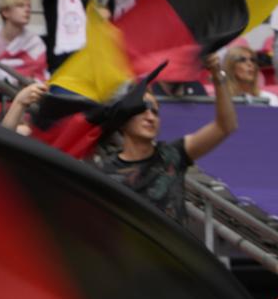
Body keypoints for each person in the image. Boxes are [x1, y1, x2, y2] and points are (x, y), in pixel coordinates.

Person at [88, 60, 238, 224]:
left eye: (155, 112)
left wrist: (217, 75)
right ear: (123, 119)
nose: (151, 117)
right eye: (142, 110)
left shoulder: (173, 154)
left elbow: (225, 127)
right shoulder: (104, 172)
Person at [0, 0, 47, 86]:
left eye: (29, 6)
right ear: (5, 12)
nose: (27, 10)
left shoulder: (34, 42)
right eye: (20, 6)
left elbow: (38, 72)